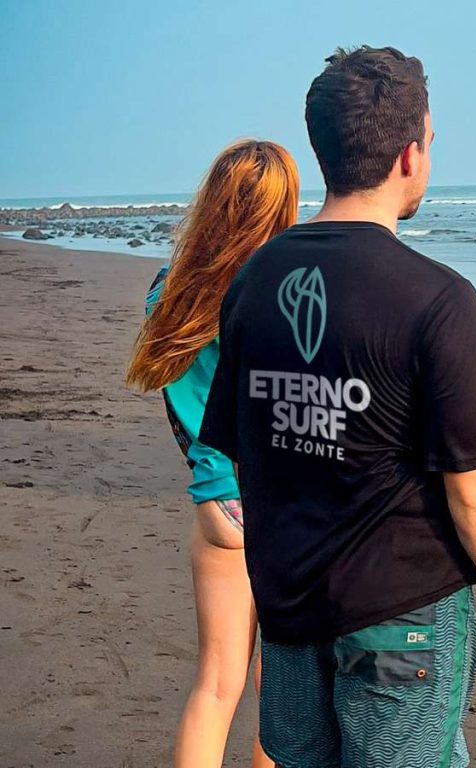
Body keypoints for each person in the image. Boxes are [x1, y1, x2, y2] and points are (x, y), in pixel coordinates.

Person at [198, 46, 476, 767]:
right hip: (401, 613)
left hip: (290, 603)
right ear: (411, 154)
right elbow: (475, 488)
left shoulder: (256, 279)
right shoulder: (437, 298)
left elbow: (244, 442)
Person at [126, 139, 299, 768]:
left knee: (215, 684)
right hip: (281, 500)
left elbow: (177, 392)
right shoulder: (281, 287)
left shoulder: (170, 289)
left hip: (215, 496)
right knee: (281, 694)